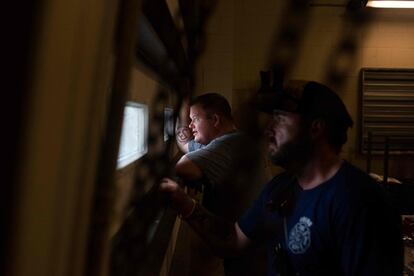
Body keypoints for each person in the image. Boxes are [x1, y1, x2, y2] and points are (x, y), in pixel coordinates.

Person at [161, 81, 403, 276]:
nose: (269, 130)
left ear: (315, 128)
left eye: (280, 119)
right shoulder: (280, 189)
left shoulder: (361, 200)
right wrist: (185, 204)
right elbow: (233, 239)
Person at [171, 93, 265, 275]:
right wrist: (183, 108)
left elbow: (182, 166)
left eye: (195, 120)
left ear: (214, 120)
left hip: (249, 257)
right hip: (247, 244)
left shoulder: (227, 146)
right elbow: (185, 144)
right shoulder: (232, 139)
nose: (190, 126)